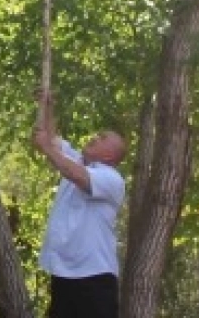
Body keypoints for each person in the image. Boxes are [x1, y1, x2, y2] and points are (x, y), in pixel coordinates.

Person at [31, 91, 127, 318]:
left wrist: (47, 148)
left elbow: (74, 173)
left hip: (94, 278)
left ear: (110, 156)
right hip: (64, 275)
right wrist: (46, 107)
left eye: (102, 138)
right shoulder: (75, 160)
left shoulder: (112, 179)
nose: (95, 137)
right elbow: (49, 139)